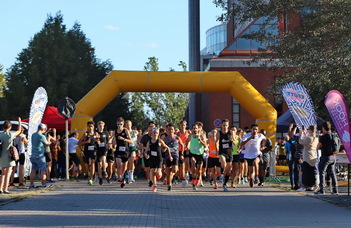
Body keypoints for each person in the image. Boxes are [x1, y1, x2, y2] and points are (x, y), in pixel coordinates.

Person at [316, 121, 339, 195]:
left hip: (325, 156)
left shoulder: (324, 136)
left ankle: (322, 190)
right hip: (333, 156)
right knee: (333, 173)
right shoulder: (335, 135)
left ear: (323, 128)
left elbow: (318, 146)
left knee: (322, 172)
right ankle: (335, 190)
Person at [0, 118, 22, 194]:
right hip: (9, 155)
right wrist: (19, 122)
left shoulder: (0, 135)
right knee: (8, 173)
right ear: (10, 127)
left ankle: (0, 188)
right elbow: (19, 131)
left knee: (2, 173)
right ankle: (5, 189)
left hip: (2, 155)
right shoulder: (10, 135)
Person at [161, 123, 184, 191]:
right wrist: (164, 149)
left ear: (174, 130)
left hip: (175, 155)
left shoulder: (177, 138)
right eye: (169, 129)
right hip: (168, 155)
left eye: (172, 129)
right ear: (166, 130)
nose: (170, 131)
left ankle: (170, 179)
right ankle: (169, 184)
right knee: (168, 171)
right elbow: (162, 147)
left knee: (175, 170)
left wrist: (181, 154)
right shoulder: (165, 138)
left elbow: (182, 145)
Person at [29, 123, 52, 188]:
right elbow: (47, 143)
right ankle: (44, 184)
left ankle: (31, 184)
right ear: (42, 129)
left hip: (33, 154)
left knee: (33, 170)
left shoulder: (33, 135)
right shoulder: (41, 136)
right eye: (45, 129)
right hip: (40, 155)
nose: (45, 130)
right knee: (43, 170)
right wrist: (49, 141)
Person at [187, 122, 207, 190]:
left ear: (198, 129)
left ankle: (197, 179)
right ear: (192, 129)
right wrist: (187, 147)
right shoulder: (190, 135)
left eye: (196, 128)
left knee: (199, 170)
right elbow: (188, 142)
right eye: (193, 128)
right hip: (192, 153)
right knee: (193, 162)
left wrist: (200, 140)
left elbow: (205, 145)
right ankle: (193, 178)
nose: (195, 129)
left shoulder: (202, 135)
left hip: (200, 153)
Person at [78, 121, 99, 185]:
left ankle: (91, 179)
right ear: (87, 127)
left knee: (92, 163)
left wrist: (98, 142)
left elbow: (99, 142)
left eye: (91, 126)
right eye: (89, 126)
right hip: (87, 151)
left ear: (93, 127)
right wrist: (85, 142)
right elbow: (78, 143)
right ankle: (89, 175)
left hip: (94, 151)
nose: (90, 128)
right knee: (88, 166)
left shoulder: (96, 134)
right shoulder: (85, 134)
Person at [216, 119, 234, 192]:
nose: (225, 127)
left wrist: (232, 140)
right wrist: (217, 149)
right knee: (223, 163)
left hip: (229, 152)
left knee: (229, 170)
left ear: (228, 125)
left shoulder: (231, 132)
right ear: (221, 125)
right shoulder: (219, 133)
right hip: (222, 152)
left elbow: (235, 142)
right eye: (223, 125)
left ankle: (225, 183)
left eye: (226, 125)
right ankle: (222, 174)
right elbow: (217, 142)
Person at [114, 117, 133, 188]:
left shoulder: (125, 131)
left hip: (125, 150)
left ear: (123, 124)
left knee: (124, 167)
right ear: (116, 124)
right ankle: (120, 178)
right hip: (118, 150)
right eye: (118, 124)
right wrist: (112, 145)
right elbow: (114, 141)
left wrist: (124, 139)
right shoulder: (115, 132)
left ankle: (123, 175)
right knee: (118, 164)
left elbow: (131, 141)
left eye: (121, 124)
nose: (119, 125)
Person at [299, 125, 318, 191]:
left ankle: (307, 186)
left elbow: (301, 141)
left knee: (306, 173)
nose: (307, 130)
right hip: (313, 156)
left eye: (308, 129)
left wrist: (301, 134)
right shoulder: (316, 138)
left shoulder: (309, 138)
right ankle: (312, 186)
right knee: (312, 172)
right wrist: (305, 134)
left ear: (310, 130)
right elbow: (307, 140)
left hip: (307, 157)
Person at [139, 122, 156, 187]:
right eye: (149, 130)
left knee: (153, 168)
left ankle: (152, 180)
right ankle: (149, 180)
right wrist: (145, 148)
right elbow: (140, 146)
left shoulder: (156, 136)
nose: (150, 132)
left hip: (154, 154)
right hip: (146, 153)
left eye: (152, 130)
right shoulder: (144, 137)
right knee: (147, 169)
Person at [177, 120, 190, 186]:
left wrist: (188, 146)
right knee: (182, 165)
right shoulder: (178, 133)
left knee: (187, 162)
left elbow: (190, 140)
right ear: (180, 126)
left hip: (186, 150)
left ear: (186, 125)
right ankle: (182, 177)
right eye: (181, 125)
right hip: (180, 150)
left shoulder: (188, 132)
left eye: (184, 125)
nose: (183, 126)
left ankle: (187, 174)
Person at [96, 121, 108, 185]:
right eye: (100, 126)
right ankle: (100, 178)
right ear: (97, 126)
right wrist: (97, 141)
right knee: (99, 165)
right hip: (98, 149)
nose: (101, 127)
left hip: (104, 149)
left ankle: (104, 171)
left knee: (103, 159)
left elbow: (108, 140)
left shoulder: (105, 133)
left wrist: (109, 144)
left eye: (102, 126)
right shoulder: (96, 133)